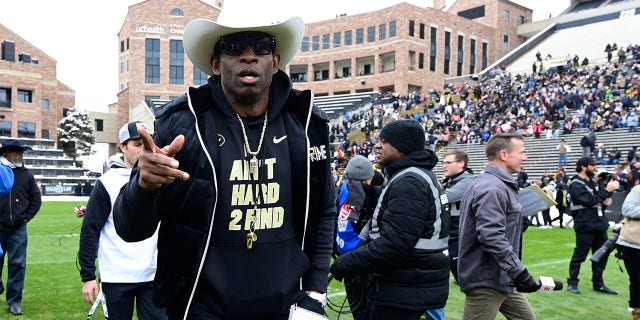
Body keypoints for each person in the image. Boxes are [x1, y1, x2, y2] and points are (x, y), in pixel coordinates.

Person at [112, 11, 336, 319]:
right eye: (233, 46)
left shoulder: (307, 124)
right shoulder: (181, 125)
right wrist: (143, 187)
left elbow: (324, 211)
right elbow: (129, 230)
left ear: (275, 61)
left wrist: (315, 291)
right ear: (216, 64)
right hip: (201, 309)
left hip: (286, 308)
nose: (248, 56)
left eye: (261, 45)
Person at [330, 119, 450, 320]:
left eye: (384, 141)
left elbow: (395, 244)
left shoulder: (409, 182)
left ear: (401, 148)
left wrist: (349, 261)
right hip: (410, 283)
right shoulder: (414, 175)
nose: (377, 145)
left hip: (405, 286)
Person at [78, 122, 165, 319]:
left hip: (153, 274)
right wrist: (88, 276)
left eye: (146, 143)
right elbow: (91, 229)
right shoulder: (107, 182)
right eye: (137, 144)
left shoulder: (160, 179)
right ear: (122, 146)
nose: (143, 150)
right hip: (117, 275)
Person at [458, 133, 537, 320]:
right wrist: (519, 271)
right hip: (486, 278)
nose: (525, 157)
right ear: (504, 154)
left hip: (502, 275)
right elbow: (491, 236)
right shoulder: (492, 188)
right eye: (522, 152)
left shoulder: (495, 184)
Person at [334, 155, 382, 320]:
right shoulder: (348, 190)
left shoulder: (345, 190)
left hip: (353, 260)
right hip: (354, 260)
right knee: (362, 311)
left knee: (362, 312)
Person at [566, 156, 620, 295]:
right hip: (585, 224)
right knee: (580, 255)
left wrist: (607, 198)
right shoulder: (575, 184)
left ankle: (598, 283)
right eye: (592, 165)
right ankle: (572, 283)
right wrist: (607, 191)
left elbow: (598, 200)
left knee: (602, 255)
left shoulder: (594, 182)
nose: (595, 168)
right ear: (583, 166)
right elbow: (589, 201)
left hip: (599, 224)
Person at [0, 139, 42, 316]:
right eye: (17, 153)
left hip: (18, 228)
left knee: (18, 265)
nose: (20, 156)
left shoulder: (26, 174)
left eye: (21, 153)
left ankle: (14, 301)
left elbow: (35, 199)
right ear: (6, 154)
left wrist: (26, 217)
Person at [440, 149, 475, 282]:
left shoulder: (468, 181)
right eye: (443, 162)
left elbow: (444, 197)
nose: (444, 166)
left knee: (467, 281)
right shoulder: (449, 181)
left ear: (461, 164)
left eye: (448, 162)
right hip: (450, 235)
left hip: (460, 237)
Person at [618, 185, 640, 320]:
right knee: (638, 281)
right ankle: (637, 314)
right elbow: (627, 209)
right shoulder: (638, 189)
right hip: (634, 245)